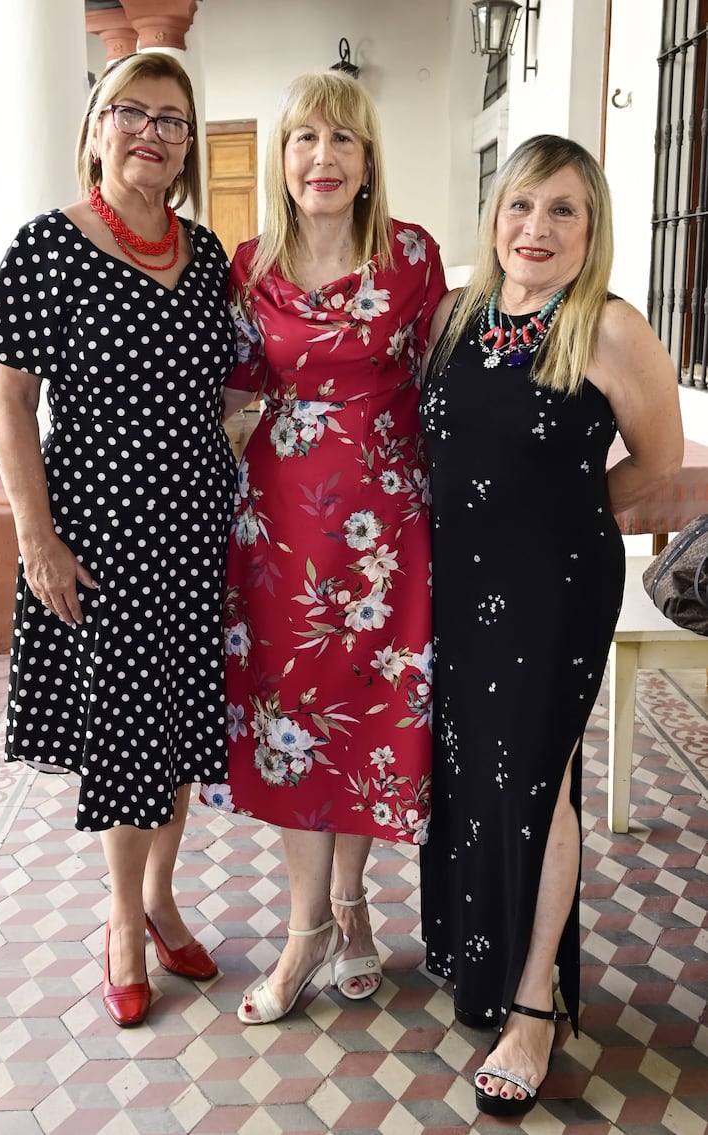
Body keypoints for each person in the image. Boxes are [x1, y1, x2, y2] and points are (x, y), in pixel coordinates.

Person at [0, 52, 238, 1028]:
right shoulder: (50, 244)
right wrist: (33, 537)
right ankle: (123, 921)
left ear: (188, 144)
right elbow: (9, 397)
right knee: (126, 734)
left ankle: (162, 894)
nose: (152, 133)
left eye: (172, 118)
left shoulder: (206, 255)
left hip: (196, 529)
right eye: (132, 113)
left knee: (179, 727)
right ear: (95, 128)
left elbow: (235, 387)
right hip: (99, 534)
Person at [418, 133, 684, 1116]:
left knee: (536, 782)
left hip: (551, 592)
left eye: (561, 211)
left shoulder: (607, 327)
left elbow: (653, 470)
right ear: (494, 216)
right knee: (468, 775)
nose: (535, 228)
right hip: (454, 590)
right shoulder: (454, 316)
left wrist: (550, 520)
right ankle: (474, 955)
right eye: (520, 205)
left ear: (590, 229)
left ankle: (533, 1008)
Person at [221, 70, 447, 1024]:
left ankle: (348, 912)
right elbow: (233, 398)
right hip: (280, 532)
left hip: (387, 534)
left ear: (367, 162)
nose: (323, 157)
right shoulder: (249, 264)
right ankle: (307, 928)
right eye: (305, 138)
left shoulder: (411, 256)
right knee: (289, 726)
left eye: (343, 140)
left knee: (364, 725)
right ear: (282, 157)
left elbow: (445, 385)